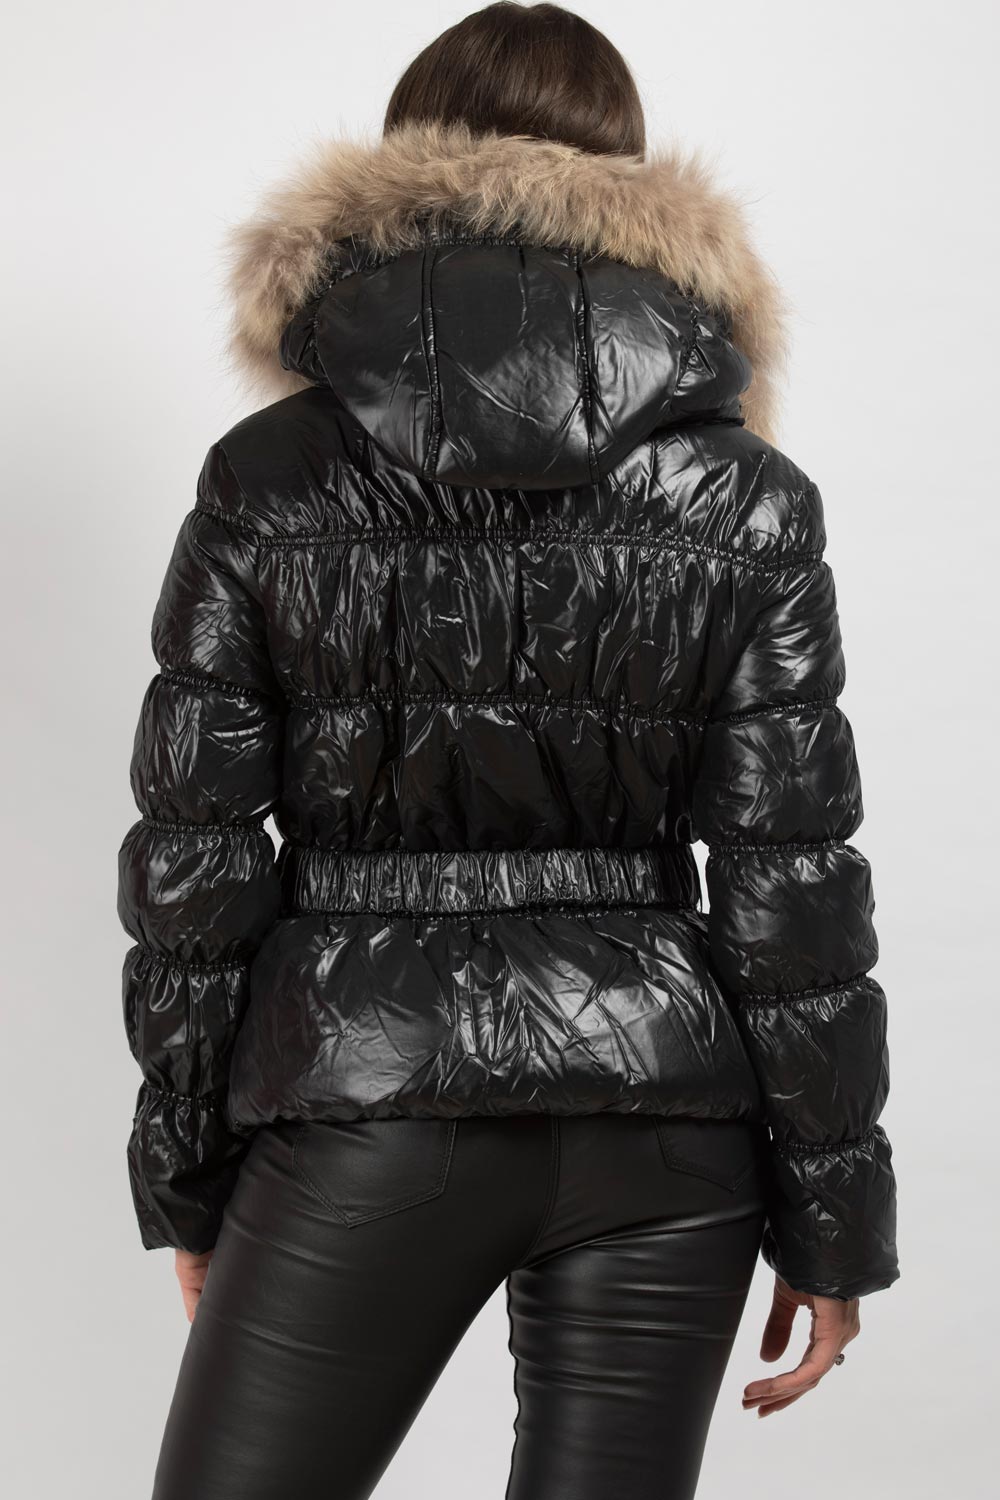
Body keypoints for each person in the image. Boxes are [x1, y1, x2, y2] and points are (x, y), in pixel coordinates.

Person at [117, 4, 898, 1496]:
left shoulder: (267, 479)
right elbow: (793, 880)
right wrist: (834, 1217)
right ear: (633, 183)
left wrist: (190, 1175)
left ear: (400, 165)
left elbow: (194, 864)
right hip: (669, 1117)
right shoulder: (748, 499)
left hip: (362, 1094)